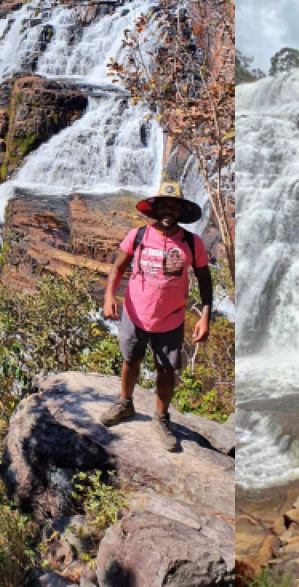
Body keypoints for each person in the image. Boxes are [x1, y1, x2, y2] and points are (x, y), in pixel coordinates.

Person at [99, 181, 213, 451]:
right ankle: (125, 403)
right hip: (135, 311)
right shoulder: (138, 235)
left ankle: (161, 418)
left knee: (166, 369)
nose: (168, 210)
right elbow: (118, 267)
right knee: (131, 359)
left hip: (170, 318)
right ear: (155, 209)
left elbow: (205, 282)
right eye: (164, 205)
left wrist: (205, 316)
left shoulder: (191, 242)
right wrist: (108, 297)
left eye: (174, 206)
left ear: (180, 211)